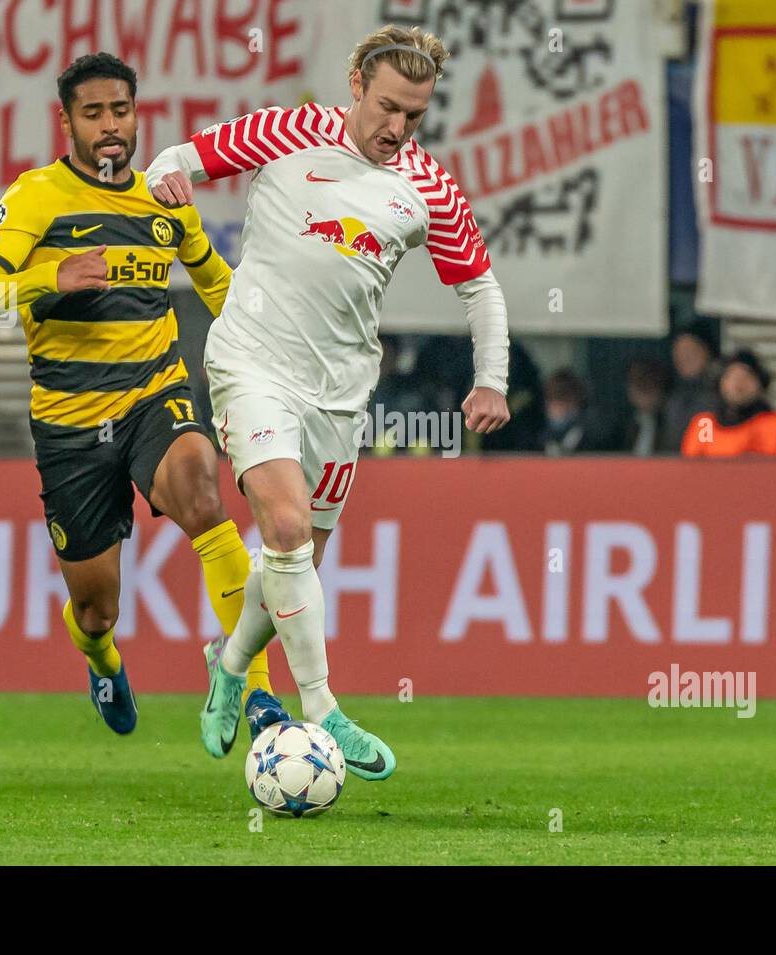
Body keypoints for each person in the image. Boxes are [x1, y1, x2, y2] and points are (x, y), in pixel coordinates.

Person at [147, 24, 512, 779]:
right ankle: (322, 708)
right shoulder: (287, 131)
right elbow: (178, 157)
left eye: (414, 115)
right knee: (280, 523)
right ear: (355, 85)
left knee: (295, 557)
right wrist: (164, 175)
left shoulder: (427, 185)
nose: (397, 128)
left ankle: (228, 663)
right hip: (252, 364)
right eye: (386, 108)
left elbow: (478, 284)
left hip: (339, 396)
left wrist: (493, 378)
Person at [0, 53, 278, 736]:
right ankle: (102, 661)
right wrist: (49, 277)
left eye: (119, 110)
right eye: (92, 113)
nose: (109, 126)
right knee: (96, 609)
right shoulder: (38, 196)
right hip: (70, 426)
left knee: (204, 495)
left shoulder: (165, 198)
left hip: (154, 393)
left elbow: (221, 290)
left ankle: (256, 691)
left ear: (137, 113)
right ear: (65, 121)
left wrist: (281, 352)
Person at [680, 348, 776, 457]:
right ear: (720, 383)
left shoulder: (775, 426)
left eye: (747, 377)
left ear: (760, 384)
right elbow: (691, 470)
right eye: (731, 376)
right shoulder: (705, 426)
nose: (738, 384)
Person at [661, 327, 719, 453]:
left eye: (690, 351)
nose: (684, 358)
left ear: (707, 351)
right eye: (678, 352)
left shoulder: (720, 393)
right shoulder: (674, 393)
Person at [541, 369, 612, 455]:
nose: (557, 409)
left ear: (575, 401)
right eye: (552, 401)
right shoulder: (542, 433)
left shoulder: (593, 431)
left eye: (562, 402)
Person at [621, 359, 670, 456]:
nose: (642, 391)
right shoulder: (623, 424)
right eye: (636, 384)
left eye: (647, 385)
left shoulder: (671, 421)